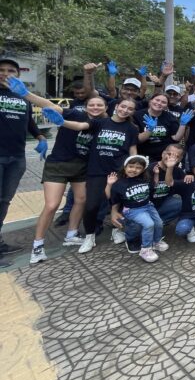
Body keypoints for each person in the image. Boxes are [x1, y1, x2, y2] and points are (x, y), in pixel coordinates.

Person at [28, 95, 109, 264]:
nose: (95, 107)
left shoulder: (102, 123)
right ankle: (38, 245)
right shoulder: (76, 114)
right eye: (92, 105)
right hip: (58, 164)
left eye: (99, 105)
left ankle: (71, 234)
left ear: (106, 108)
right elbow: (51, 106)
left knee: (81, 200)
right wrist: (25, 94)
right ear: (86, 107)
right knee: (52, 205)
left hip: (81, 166)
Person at [56, 97, 140, 254]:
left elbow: (132, 149)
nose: (125, 110)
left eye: (130, 108)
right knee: (91, 206)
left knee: (119, 203)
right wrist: (62, 121)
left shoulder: (132, 128)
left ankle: (118, 229)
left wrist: (133, 169)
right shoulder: (101, 122)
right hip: (96, 171)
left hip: (118, 171)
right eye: (123, 106)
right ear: (116, 106)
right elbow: (80, 125)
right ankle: (89, 236)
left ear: (133, 111)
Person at [0, 64, 47, 265]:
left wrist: (40, 136)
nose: (5, 74)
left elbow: (28, 121)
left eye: (11, 71)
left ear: (18, 75)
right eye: (1, 70)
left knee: (4, 201)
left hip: (17, 157)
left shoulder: (23, 96)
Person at [107, 154, 171, 263]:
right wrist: (109, 185)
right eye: (131, 166)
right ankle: (145, 249)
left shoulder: (144, 178)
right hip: (133, 210)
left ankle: (156, 242)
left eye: (138, 168)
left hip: (148, 206)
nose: (134, 170)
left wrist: (156, 174)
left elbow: (153, 186)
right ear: (125, 167)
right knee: (149, 224)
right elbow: (111, 197)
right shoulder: (120, 183)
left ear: (142, 170)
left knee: (159, 223)